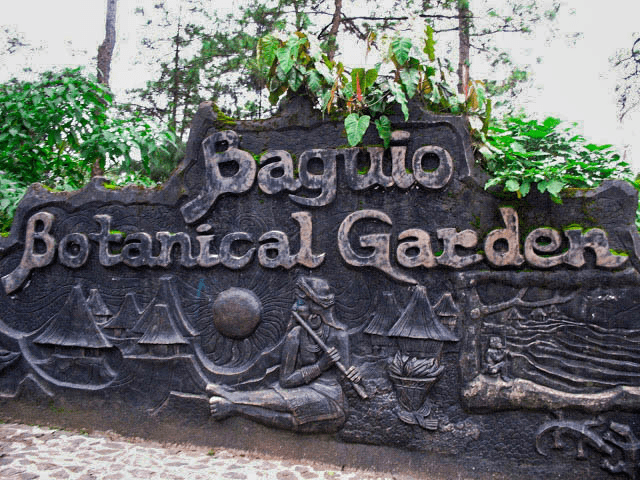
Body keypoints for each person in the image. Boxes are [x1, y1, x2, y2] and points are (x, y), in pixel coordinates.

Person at [207, 276, 361, 433]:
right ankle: (231, 403)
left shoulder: (339, 335)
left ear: (316, 307)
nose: (294, 307)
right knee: (283, 401)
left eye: (300, 303)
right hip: (296, 392)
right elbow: (286, 381)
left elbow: (345, 379)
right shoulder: (295, 335)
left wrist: (355, 376)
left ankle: (233, 403)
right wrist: (320, 366)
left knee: (289, 410)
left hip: (330, 400)